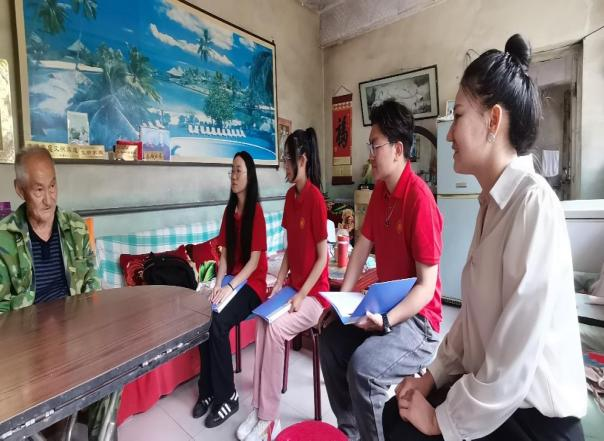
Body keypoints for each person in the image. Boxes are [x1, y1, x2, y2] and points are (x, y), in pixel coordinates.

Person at [382, 34, 586, 441]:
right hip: (499, 395)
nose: (449, 134)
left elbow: (513, 360)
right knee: (395, 412)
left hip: (535, 417)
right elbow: (473, 320)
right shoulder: (492, 203)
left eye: (457, 116)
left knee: (406, 428)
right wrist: (432, 375)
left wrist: (441, 420)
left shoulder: (533, 204)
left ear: (493, 121)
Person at [319, 99, 443, 441]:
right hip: (384, 307)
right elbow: (360, 250)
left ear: (398, 149)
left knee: (364, 368)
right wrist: (341, 304)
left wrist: (387, 321)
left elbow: (426, 286)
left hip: (419, 321)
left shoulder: (420, 200)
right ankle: (350, 431)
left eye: (375, 146)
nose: (370, 155)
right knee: (330, 341)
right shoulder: (379, 195)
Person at [0, 147, 117, 440]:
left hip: (74, 336)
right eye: (39, 190)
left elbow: (91, 283)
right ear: (20, 189)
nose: (49, 199)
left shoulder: (75, 227)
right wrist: (39, 327)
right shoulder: (4, 238)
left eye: (52, 186)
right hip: (26, 346)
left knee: (112, 374)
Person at [236, 127, 329, 441]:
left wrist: (301, 295)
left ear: (302, 160)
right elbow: (290, 248)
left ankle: (270, 418)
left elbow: (322, 258)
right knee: (263, 322)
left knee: (275, 331)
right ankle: (259, 408)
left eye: (288, 159)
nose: (284, 165)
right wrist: (278, 283)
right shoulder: (291, 197)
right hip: (292, 288)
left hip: (315, 297)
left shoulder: (316, 200)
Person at [193, 151, 268, 428]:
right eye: (232, 171)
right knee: (204, 315)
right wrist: (217, 285)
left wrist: (230, 287)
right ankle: (207, 390)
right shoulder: (229, 211)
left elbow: (254, 262)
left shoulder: (255, 212)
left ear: (250, 176)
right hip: (233, 281)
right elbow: (224, 256)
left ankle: (228, 396)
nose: (233, 176)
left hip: (252, 285)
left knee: (219, 322)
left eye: (238, 171)